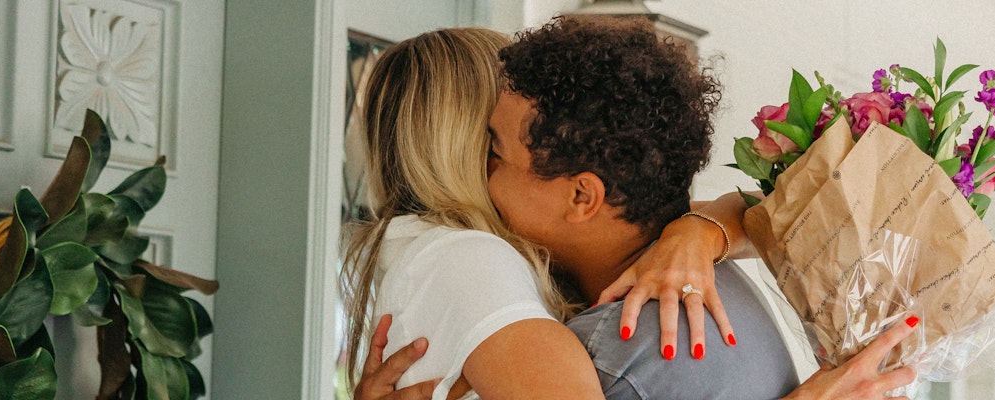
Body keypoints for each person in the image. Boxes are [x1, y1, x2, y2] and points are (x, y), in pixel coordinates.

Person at [360, 15, 919, 400]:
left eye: (493, 154)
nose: (479, 177)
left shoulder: (614, 350)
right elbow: (757, 208)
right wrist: (701, 232)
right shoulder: (709, 282)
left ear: (582, 195)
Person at [341, 27, 755, 400]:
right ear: (456, 153)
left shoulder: (670, 267)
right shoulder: (465, 259)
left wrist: (700, 233)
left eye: (496, 152)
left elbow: (762, 211)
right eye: (491, 150)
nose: (490, 169)